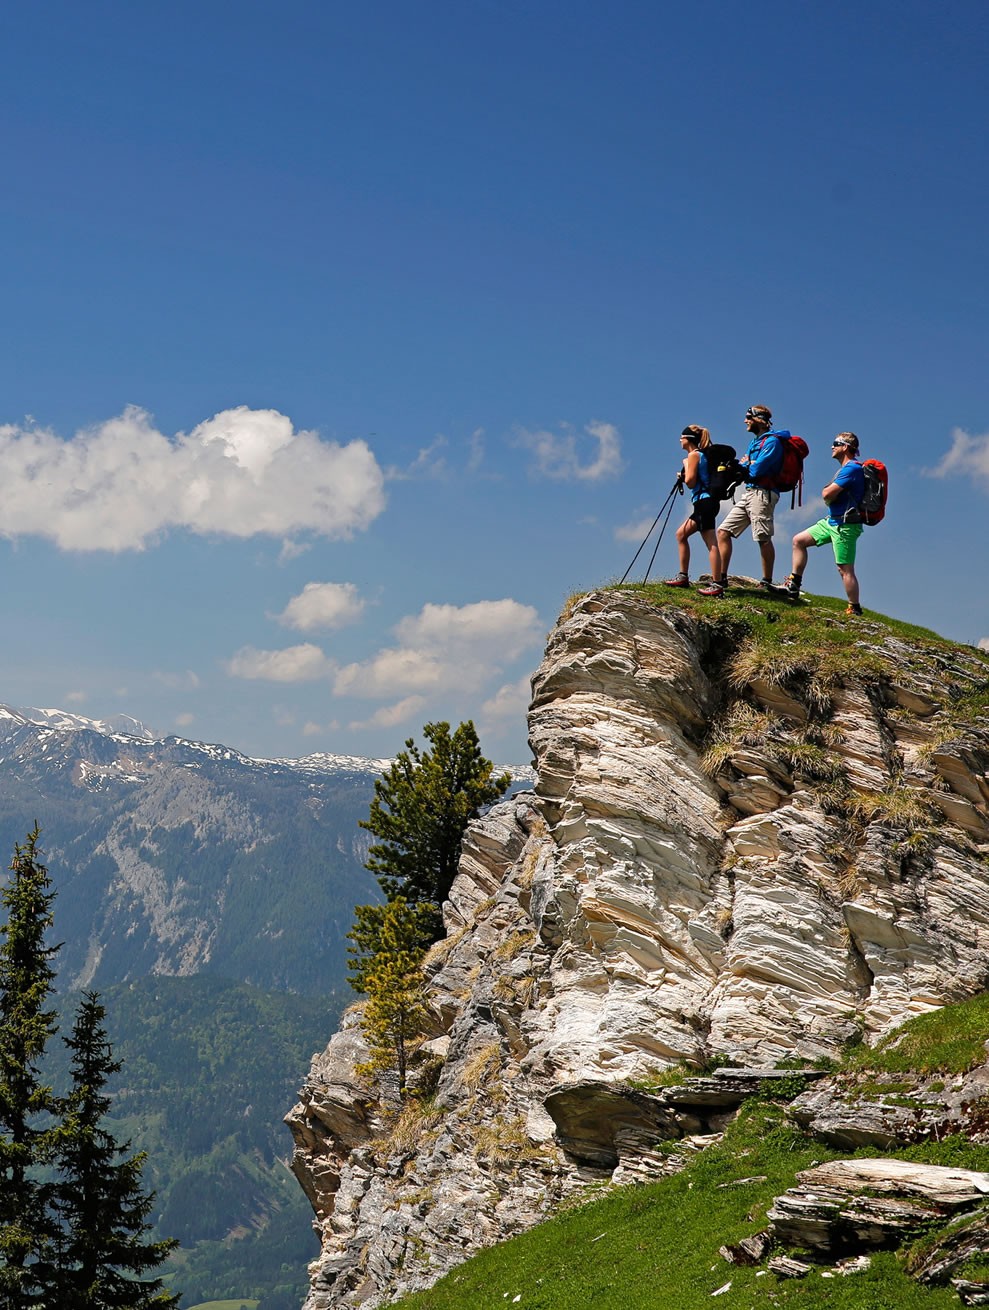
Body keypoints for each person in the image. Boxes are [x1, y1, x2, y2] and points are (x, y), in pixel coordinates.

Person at [699, 404, 789, 597]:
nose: (745, 421)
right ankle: (721, 579)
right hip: (750, 492)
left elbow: (756, 469)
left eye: (749, 417)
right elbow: (746, 464)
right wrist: (737, 466)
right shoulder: (755, 442)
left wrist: (742, 467)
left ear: (759, 419)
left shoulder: (772, 442)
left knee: (762, 537)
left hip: (763, 493)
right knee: (723, 531)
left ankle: (766, 582)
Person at [783, 432, 865, 615]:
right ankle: (794, 583)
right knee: (799, 540)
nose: (832, 447)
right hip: (832, 521)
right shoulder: (846, 469)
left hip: (845, 525)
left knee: (845, 569)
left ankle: (854, 608)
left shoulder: (852, 469)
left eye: (836, 443)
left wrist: (827, 492)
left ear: (845, 447)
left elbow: (827, 494)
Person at [663, 425, 722, 589]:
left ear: (688, 439)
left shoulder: (694, 455)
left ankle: (716, 584)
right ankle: (685, 576)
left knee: (710, 542)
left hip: (704, 502)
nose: (680, 440)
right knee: (681, 534)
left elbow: (690, 482)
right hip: (706, 503)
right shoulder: (700, 455)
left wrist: (686, 464)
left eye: (682, 437)